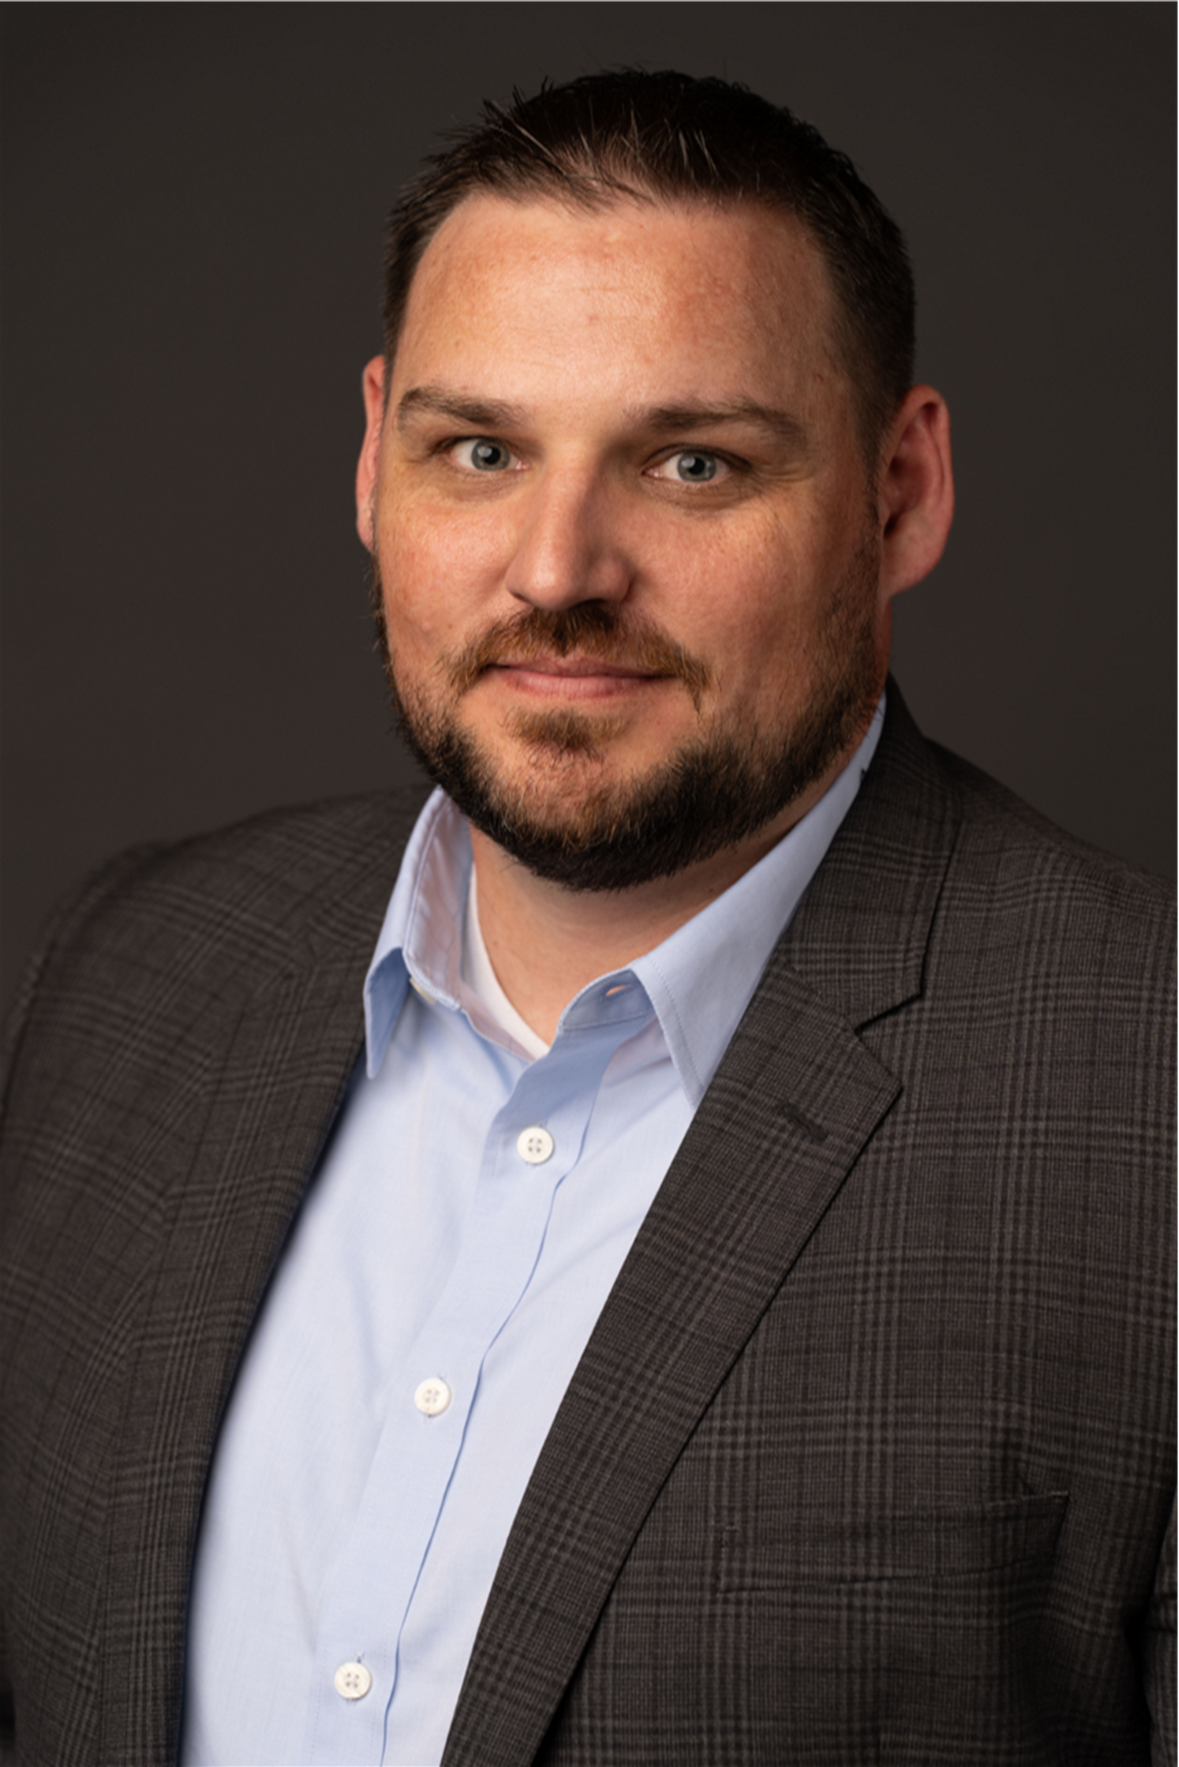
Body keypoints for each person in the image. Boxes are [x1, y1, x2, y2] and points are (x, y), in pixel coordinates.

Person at [0, 68, 1174, 1767]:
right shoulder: (129, 971)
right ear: (371, 456)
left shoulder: (1138, 1094)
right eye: (478, 450)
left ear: (900, 491)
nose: (557, 568)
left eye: (691, 461)